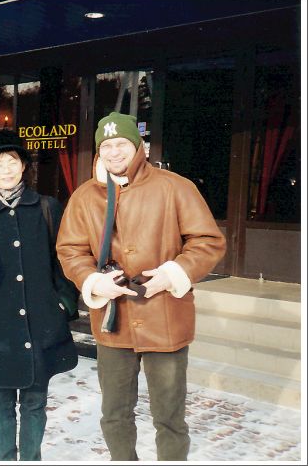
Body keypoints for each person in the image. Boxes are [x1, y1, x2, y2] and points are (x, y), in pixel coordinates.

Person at [56, 112, 226, 461]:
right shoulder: (85, 197)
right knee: (114, 413)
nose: (114, 152)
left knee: (169, 416)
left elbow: (207, 241)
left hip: (164, 315)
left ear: (139, 147)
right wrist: (93, 281)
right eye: (106, 145)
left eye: (122, 144)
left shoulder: (175, 187)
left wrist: (173, 273)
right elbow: (70, 250)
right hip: (113, 319)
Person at [0, 129, 79, 461]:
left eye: (11, 161)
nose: (5, 170)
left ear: (24, 165)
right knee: (1, 404)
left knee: (34, 402)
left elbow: (66, 259)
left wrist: (63, 302)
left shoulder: (47, 207)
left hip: (41, 322)